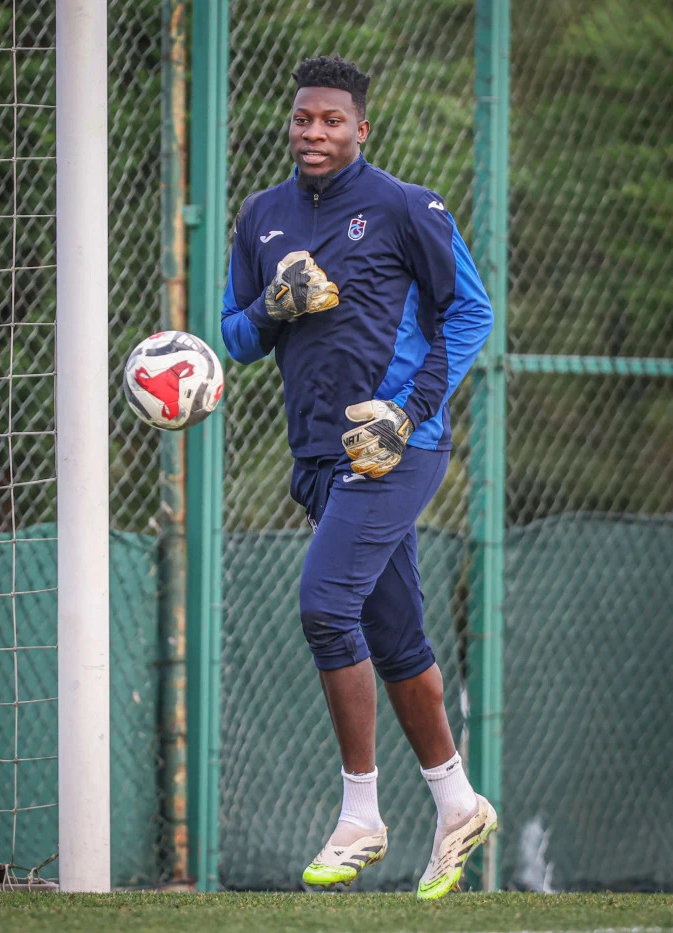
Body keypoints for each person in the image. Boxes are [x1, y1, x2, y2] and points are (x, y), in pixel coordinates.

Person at [221, 54, 495, 900]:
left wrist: (407, 413)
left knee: (324, 604)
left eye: (332, 120)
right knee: (397, 636)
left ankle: (360, 814)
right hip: (314, 459)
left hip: (395, 449)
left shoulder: (408, 206)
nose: (314, 132)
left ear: (361, 129)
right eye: (303, 118)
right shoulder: (261, 216)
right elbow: (235, 337)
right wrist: (275, 304)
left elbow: (472, 311)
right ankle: (458, 803)